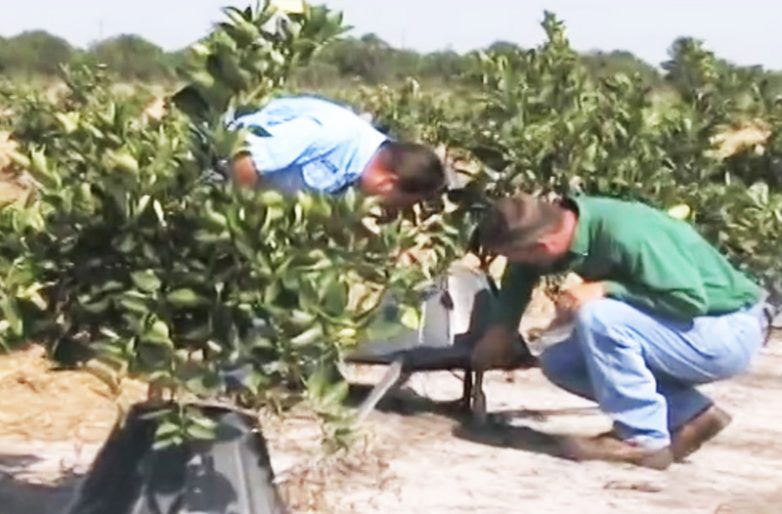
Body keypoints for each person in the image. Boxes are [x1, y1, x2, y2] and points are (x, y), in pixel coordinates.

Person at [470, 193, 770, 470]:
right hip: (689, 328)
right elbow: (522, 272)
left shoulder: (627, 234)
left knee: (599, 317)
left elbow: (689, 301)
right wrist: (501, 329)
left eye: (516, 256)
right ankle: (690, 415)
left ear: (543, 247)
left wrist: (606, 289)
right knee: (561, 362)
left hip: (726, 330)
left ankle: (642, 439)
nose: (517, 264)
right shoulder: (565, 227)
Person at [226, 95, 446, 208]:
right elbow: (244, 158)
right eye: (395, 203)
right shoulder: (334, 134)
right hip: (215, 166)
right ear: (387, 183)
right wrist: (244, 220)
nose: (387, 209)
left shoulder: (359, 169)